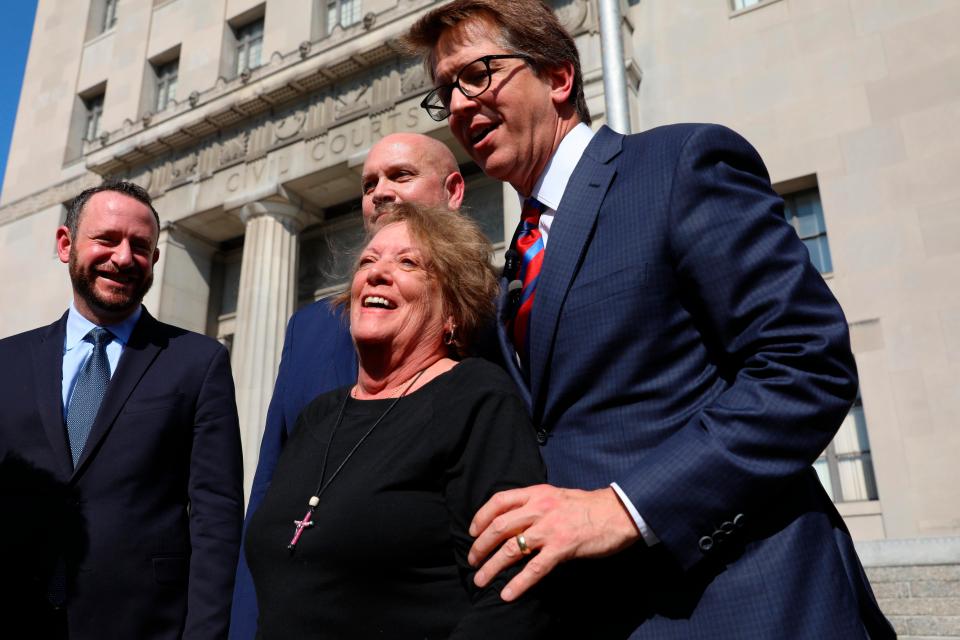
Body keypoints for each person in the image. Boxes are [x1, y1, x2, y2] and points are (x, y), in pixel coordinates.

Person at [404, 1, 895, 638]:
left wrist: (627, 508)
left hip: (749, 602)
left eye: (478, 74)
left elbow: (806, 364)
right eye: (446, 91)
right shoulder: (513, 267)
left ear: (559, 77)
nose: (462, 104)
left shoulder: (678, 165)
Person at [244, 203, 550, 638]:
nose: (377, 272)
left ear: (452, 311)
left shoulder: (477, 398)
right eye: (368, 261)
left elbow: (511, 593)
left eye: (407, 262)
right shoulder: (319, 414)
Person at [229, 132, 466, 637]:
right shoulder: (310, 329)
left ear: (453, 191)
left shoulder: (490, 318)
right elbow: (270, 484)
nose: (379, 191)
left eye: (400, 176)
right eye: (368, 183)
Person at [0, 181, 243, 639]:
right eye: (107, 239)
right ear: (66, 245)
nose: (124, 257)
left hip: (145, 623)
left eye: (141, 246)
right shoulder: (6, 362)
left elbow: (217, 514)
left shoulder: (198, 362)